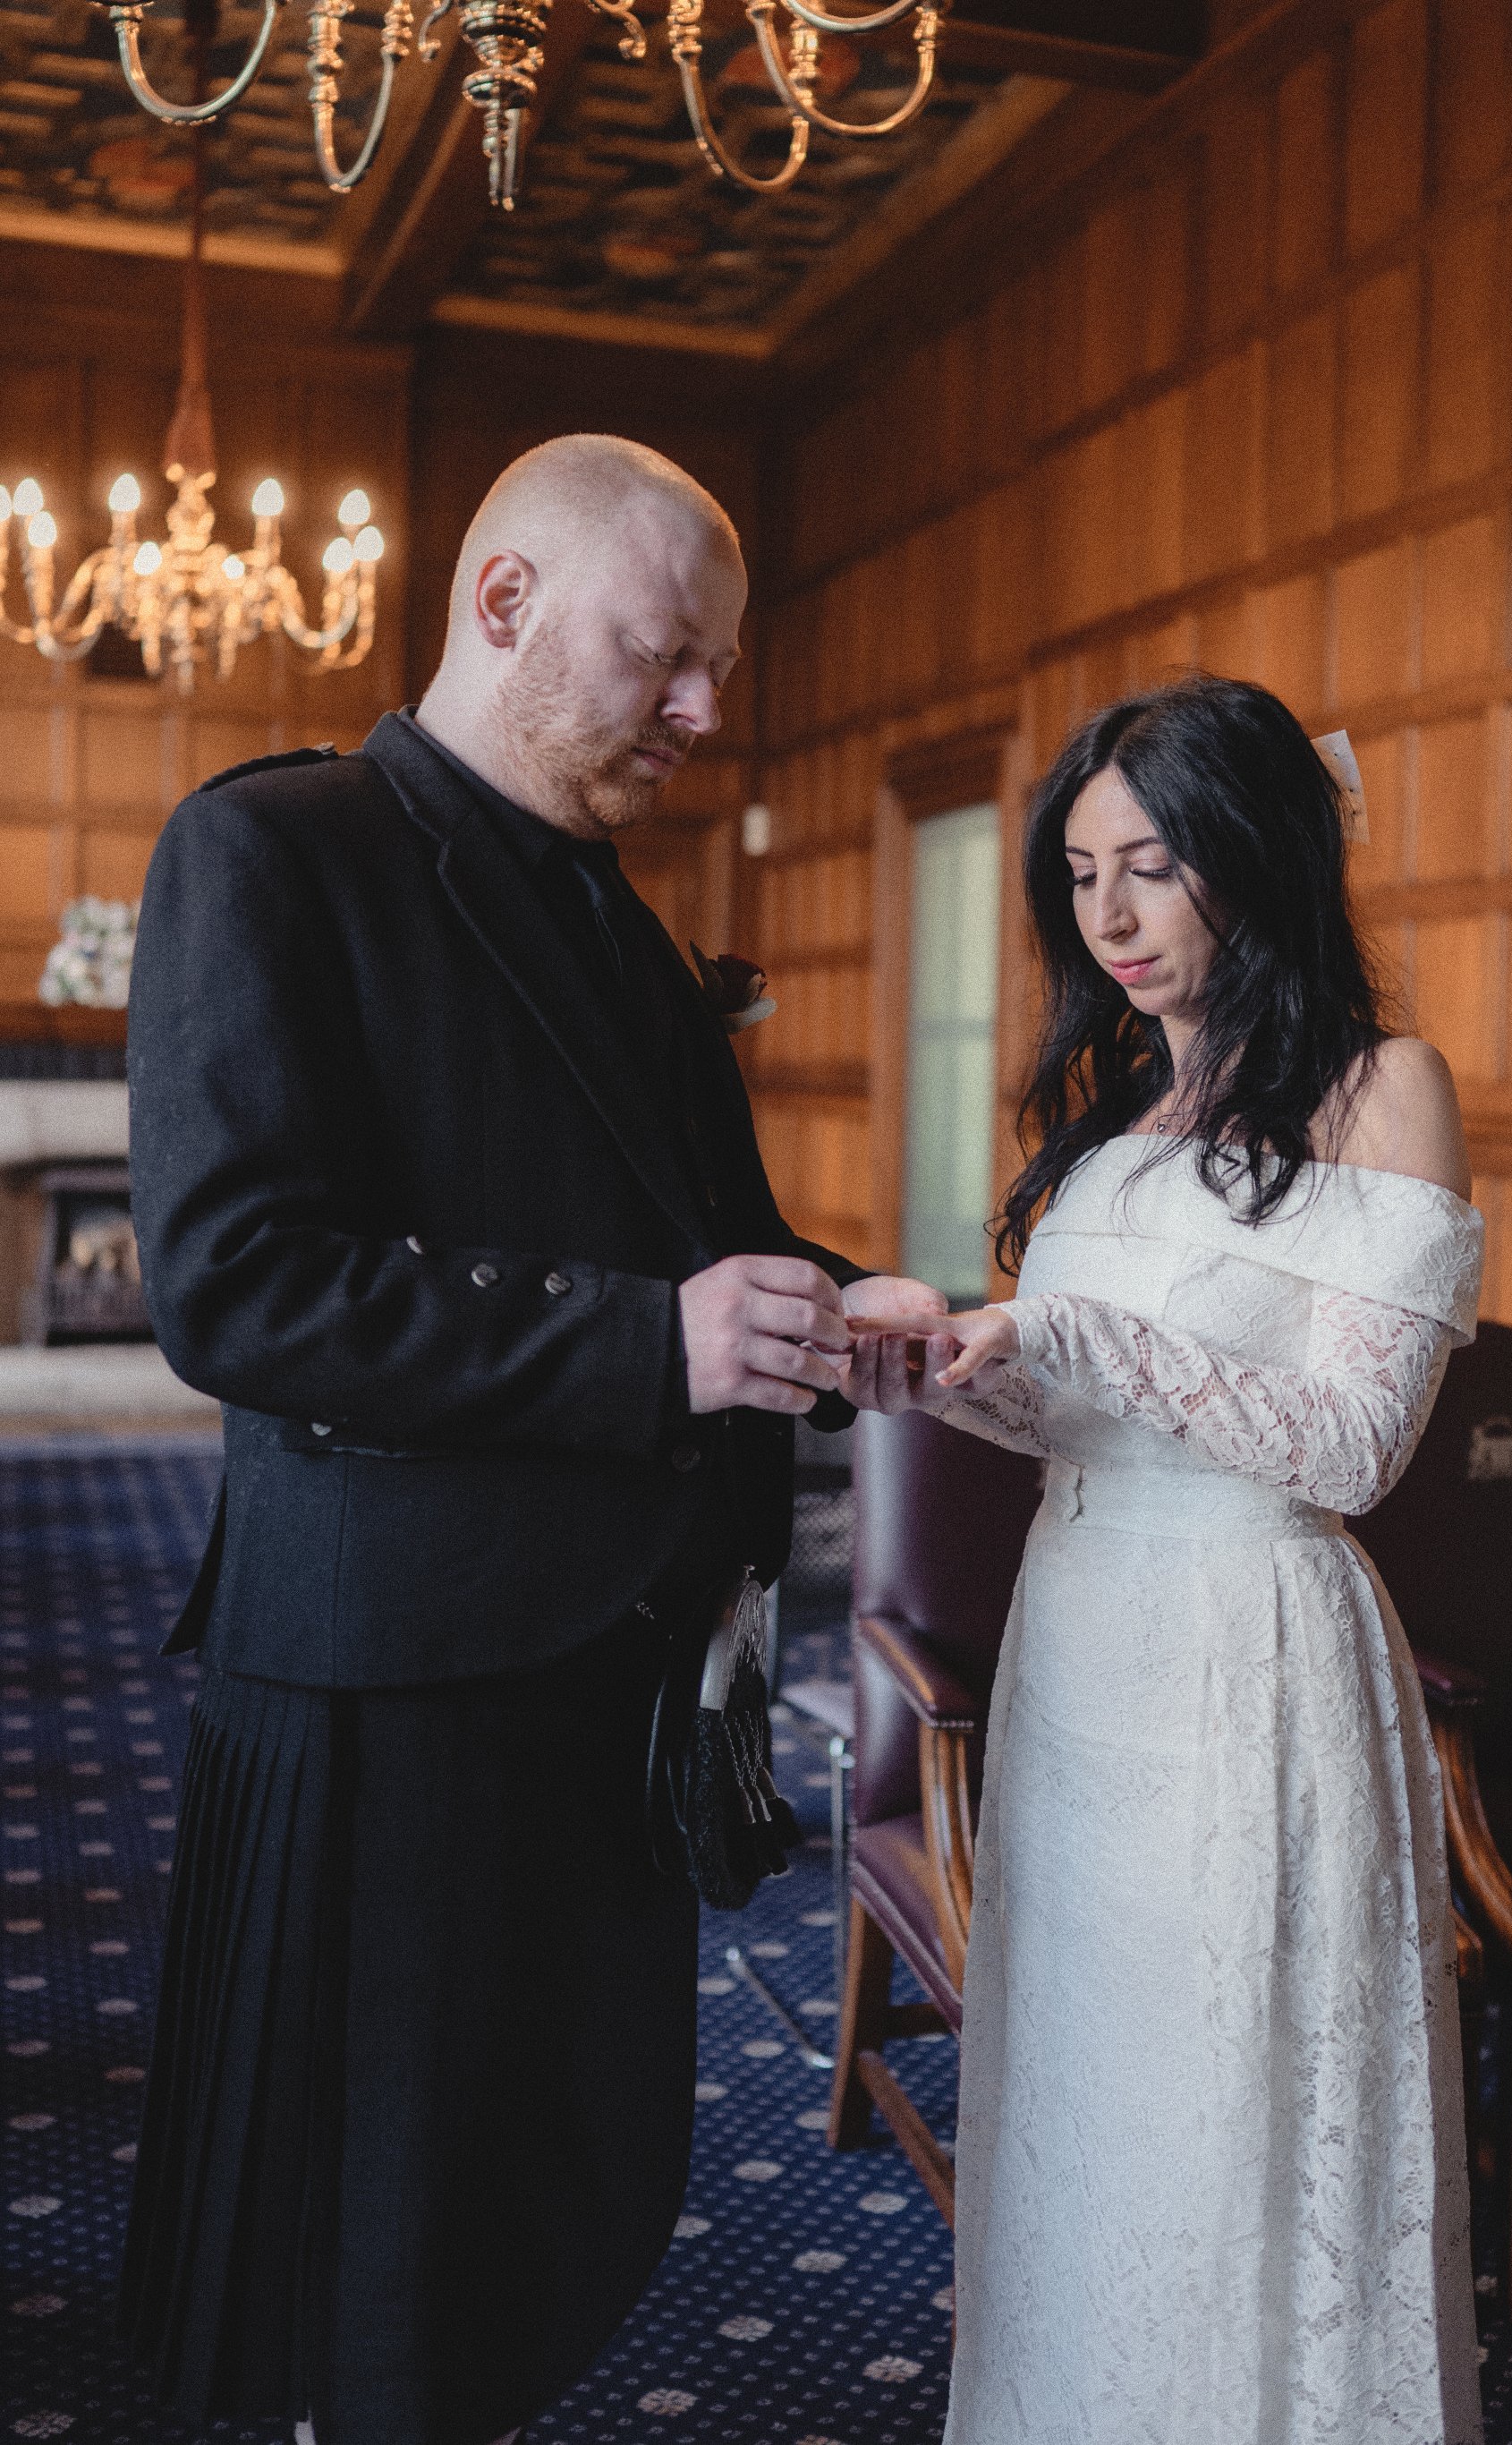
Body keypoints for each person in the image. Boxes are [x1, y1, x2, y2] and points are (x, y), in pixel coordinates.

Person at [116, 433, 943, 2445]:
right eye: (668, 656)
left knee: (523, 2202)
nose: (702, 710)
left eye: (714, 669)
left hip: (603, 1664)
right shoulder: (273, 850)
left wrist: (842, 1312)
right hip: (383, 1675)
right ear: (501, 603)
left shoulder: (621, 916)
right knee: (369, 2248)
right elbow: (234, 1285)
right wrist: (647, 1347)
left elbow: (689, 1249)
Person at [846, 676, 1486, 2445]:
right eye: (1076, 874)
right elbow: (1080, 1420)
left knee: (1236, 2116)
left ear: (1253, 855)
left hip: (1245, 1653)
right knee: (1086, 2113)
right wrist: (933, 1372)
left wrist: (1063, 1346)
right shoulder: (1117, 1119)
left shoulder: (1381, 1092)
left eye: (1150, 864)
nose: (1105, 916)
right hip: (1082, 1648)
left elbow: (1350, 1446)